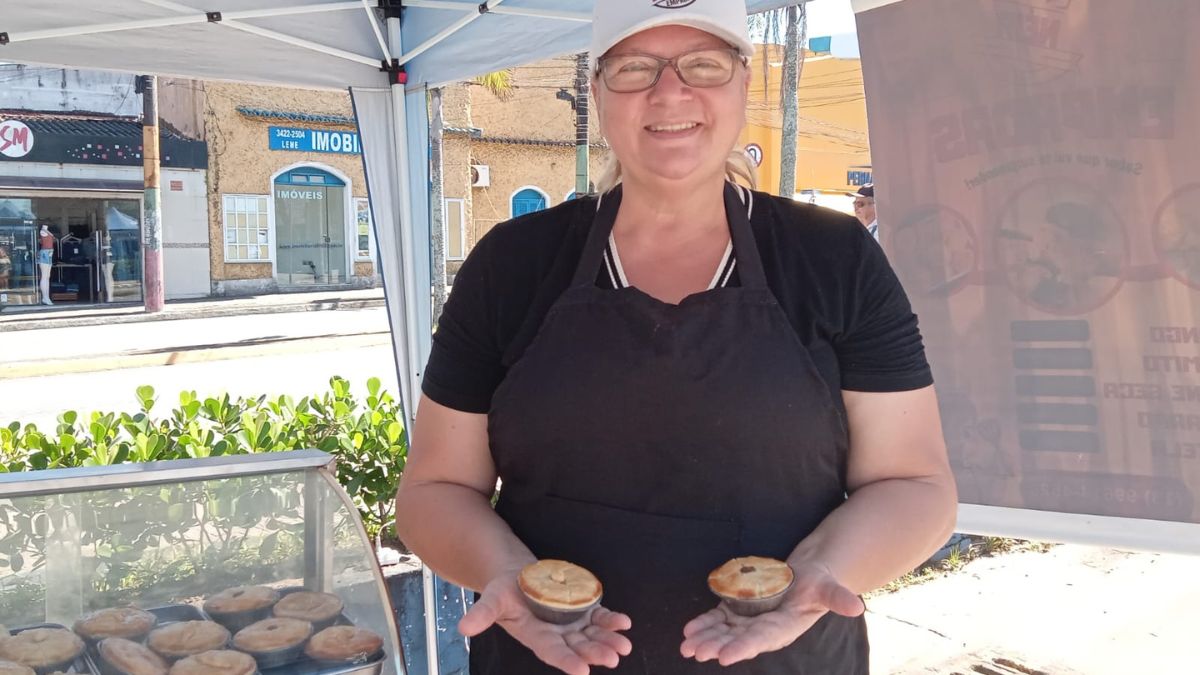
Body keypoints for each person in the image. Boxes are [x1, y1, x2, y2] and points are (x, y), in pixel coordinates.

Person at [394, 1, 956, 673]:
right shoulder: (510, 264)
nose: (669, 91)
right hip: (545, 659)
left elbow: (916, 484)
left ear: (744, 82)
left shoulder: (835, 257)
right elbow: (434, 489)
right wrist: (505, 570)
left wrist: (824, 567)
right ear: (598, 91)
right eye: (635, 67)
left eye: (702, 65)